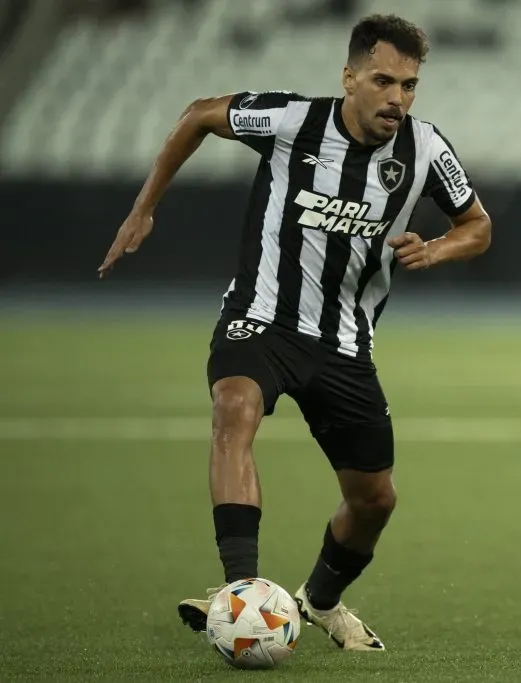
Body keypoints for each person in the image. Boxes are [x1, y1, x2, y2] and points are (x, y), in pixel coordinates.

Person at [97, 13, 492, 651]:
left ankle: (320, 600)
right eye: (384, 80)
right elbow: (200, 112)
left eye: (411, 85)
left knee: (375, 502)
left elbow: (478, 224)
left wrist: (438, 250)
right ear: (349, 77)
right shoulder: (292, 121)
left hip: (344, 344)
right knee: (234, 408)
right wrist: (143, 209)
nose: (398, 98)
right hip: (263, 317)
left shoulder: (425, 150)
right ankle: (241, 591)